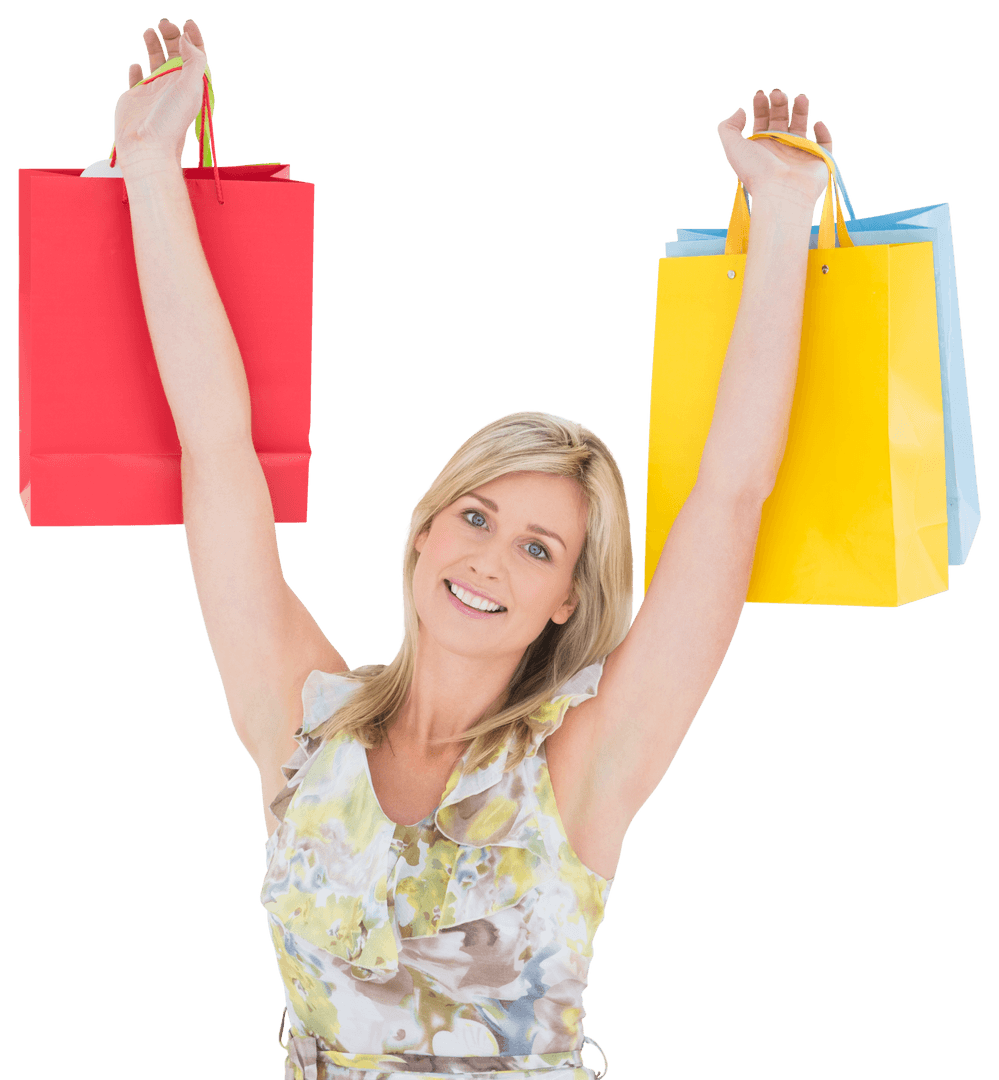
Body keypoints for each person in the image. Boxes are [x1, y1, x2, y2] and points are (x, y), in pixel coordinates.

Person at [113, 17, 837, 1080]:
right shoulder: (299, 725)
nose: (490, 558)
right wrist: (145, 164)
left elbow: (729, 503)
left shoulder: (579, 772)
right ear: (422, 533)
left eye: (540, 549)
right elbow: (215, 448)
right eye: (477, 516)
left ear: (565, 603)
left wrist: (781, 218)